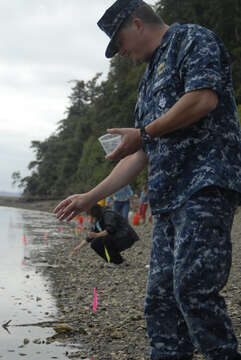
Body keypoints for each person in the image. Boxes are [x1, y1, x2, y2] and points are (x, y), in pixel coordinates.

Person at [54, 1, 241, 359]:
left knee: (193, 291)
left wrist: (144, 132)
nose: (122, 52)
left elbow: (202, 99)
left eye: (119, 42)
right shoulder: (147, 81)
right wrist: (88, 197)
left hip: (205, 185)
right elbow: (141, 151)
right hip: (168, 199)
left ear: (137, 24)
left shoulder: (193, 39)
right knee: (159, 300)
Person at [72, 204, 139, 267]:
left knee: (105, 239)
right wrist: (79, 247)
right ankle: (114, 261)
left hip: (126, 237)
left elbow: (110, 230)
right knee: (94, 243)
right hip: (115, 237)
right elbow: (91, 236)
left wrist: (97, 235)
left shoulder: (108, 214)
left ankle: (118, 262)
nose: (89, 218)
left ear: (94, 213)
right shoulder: (97, 220)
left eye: (89, 215)